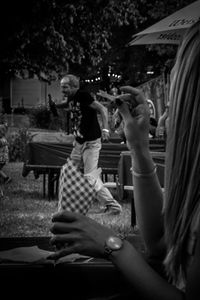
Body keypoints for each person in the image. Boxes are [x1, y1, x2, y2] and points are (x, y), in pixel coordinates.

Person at [49, 21, 200, 299]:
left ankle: (110, 203)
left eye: (175, 74)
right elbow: (158, 245)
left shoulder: (84, 95)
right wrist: (138, 145)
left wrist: (111, 244)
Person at [49, 74, 122, 215]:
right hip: (79, 142)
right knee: (68, 172)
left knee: (90, 176)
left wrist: (105, 129)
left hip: (91, 143)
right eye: (61, 87)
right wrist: (55, 105)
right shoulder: (73, 97)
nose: (62, 90)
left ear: (75, 87)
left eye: (65, 87)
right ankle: (65, 208)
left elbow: (103, 109)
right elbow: (67, 104)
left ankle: (113, 207)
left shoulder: (83, 95)